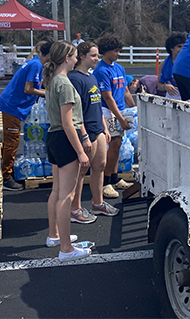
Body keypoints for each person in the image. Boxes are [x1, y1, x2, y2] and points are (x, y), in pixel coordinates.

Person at [44, 41, 91, 261]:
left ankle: (55, 235)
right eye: (73, 56)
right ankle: (66, 249)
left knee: (56, 191)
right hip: (64, 139)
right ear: (66, 58)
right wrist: (81, 151)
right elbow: (68, 122)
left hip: (54, 138)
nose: (75, 59)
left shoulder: (54, 81)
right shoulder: (65, 84)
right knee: (66, 195)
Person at [69, 42, 119, 223]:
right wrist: (83, 134)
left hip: (98, 129)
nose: (97, 59)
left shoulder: (92, 77)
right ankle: (75, 209)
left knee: (99, 166)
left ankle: (98, 203)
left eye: (97, 55)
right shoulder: (74, 79)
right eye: (93, 56)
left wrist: (105, 128)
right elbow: (75, 111)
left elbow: (97, 105)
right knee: (81, 172)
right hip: (86, 131)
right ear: (81, 56)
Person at [0, 39, 54, 190]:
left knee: (11, 141)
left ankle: (6, 170)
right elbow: (28, 89)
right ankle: (6, 177)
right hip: (12, 106)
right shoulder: (36, 65)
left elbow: (37, 84)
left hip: (15, 106)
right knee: (12, 141)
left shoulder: (36, 62)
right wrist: (48, 94)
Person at [92, 35, 135, 199]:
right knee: (112, 145)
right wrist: (120, 118)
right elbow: (107, 97)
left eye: (119, 51)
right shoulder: (101, 70)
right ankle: (106, 182)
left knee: (118, 145)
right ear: (107, 51)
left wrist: (133, 108)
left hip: (120, 111)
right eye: (115, 51)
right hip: (107, 112)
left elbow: (125, 90)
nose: (118, 54)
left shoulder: (119, 68)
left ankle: (115, 178)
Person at [158, 33, 186, 99]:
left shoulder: (188, 63)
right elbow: (159, 85)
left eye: (184, 46)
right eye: (179, 46)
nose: (182, 49)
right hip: (171, 98)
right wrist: (165, 86)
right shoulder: (163, 64)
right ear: (171, 48)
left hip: (187, 98)